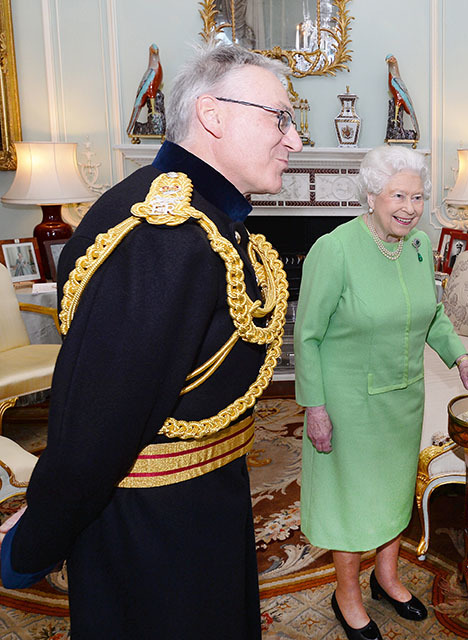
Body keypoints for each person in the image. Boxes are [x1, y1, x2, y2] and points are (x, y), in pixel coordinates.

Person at [0, 44, 302, 639]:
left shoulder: (205, 216)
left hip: (198, 507)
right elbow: (98, 421)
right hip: (153, 535)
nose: (294, 139)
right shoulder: (164, 236)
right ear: (214, 115)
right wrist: (35, 542)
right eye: (281, 118)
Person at [294, 144, 468, 640]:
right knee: (351, 498)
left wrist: (461, 357)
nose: (409, 207)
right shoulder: (334, 249)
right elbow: (307, 334)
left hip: (403, 398)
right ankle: (347, 594)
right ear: (372, 195)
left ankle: (387, 578)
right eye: (398, 195)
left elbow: (434, 314)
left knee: (392, 491)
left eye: (418, 197)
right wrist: (314, 405)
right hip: (348, 400)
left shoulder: (420, 247)